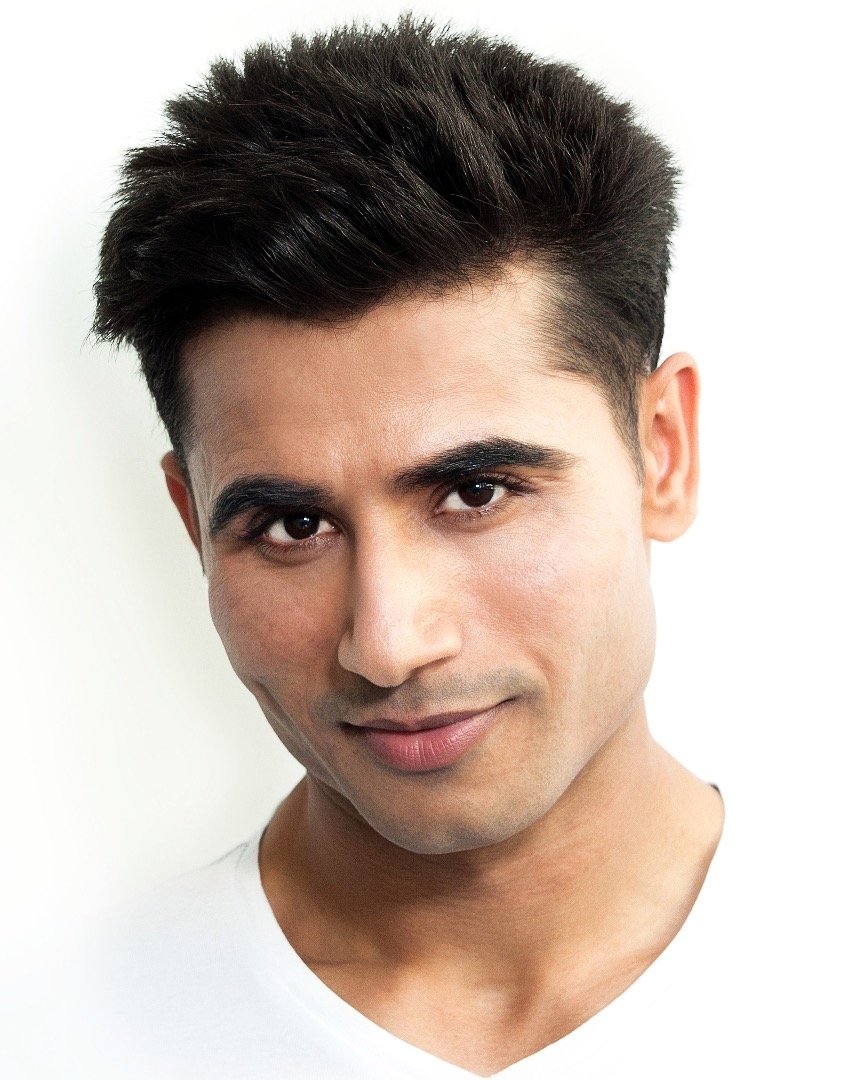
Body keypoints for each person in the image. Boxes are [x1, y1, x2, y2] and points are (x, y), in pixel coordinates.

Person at [36, 16, 727, 1078]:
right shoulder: (54, 1038)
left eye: (475, 492)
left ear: (662, 452)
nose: (388, 644)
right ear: (192, 522)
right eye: (291, 526)